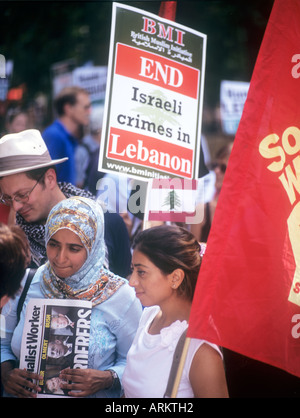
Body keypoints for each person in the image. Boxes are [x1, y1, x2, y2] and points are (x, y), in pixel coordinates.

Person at [1, 196, 142, 398]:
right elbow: (2, 340)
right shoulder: (27, 282)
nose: (60, 258)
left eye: (74, 248)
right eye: (54, 244)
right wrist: (6, 373)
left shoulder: (122, 297)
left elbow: (137, 361)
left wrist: (107, 378)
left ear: (93, 248)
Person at [0, 129, 132, 277]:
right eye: (8, 198)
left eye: (22, 195)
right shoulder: (16, 241)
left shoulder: (107, 221)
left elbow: (125, 290)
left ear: (50, 178)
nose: (16, 206)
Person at [122, 225, 228, 398]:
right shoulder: (149, 316)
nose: (131, 281)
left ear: (175, 278)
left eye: (141, 272)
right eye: (132, 270)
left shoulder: (200, 349)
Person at [42, 86, 91, 185]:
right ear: (68, 109)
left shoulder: (70, 138)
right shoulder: (54, 135)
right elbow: (46, 181)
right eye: (85, 107)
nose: (89, 112)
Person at [191, 141, 233, 242]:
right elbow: (190, 255)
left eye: (223, 168)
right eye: (215, 165)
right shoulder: (201, 210)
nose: (216, 171)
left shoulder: (248, 216)